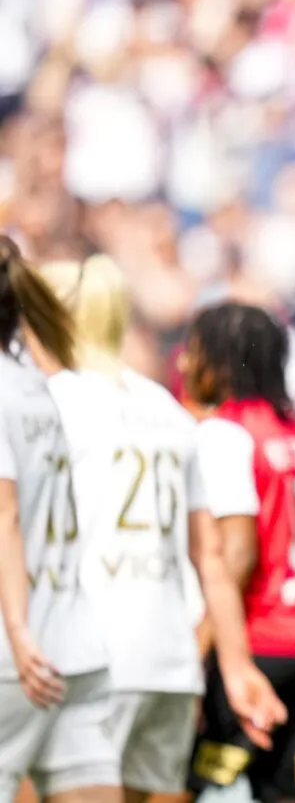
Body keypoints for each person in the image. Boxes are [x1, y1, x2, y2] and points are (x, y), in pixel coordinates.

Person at [35, 256, 288, 803]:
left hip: (89, 657)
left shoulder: (52, 402)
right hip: (168, 664)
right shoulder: (168, 410)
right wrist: (235, 664)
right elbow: (210, 555)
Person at [178, 301, 295, 803]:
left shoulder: (224, 432)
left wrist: (202, 648)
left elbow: (238, 553)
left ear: (220, 360)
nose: (183, 362)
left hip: (253, 640)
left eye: (193, 350)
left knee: (167, 789)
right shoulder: (291, 431)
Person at [0, 235, 120, 803]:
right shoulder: (35, 388)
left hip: (15, 653)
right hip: (77, 648)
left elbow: (5, 513)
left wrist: (18, 631)